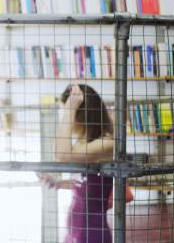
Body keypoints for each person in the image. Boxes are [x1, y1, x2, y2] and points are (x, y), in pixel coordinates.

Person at [40, 84, 115, 243]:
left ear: (80, 115)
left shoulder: (107, 143)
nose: (65, 117)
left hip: (92, 236)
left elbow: (61, 154)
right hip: (75, 233)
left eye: (67, 112)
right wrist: (58, 183)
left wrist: (69, 110)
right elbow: (86, 183)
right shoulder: (84, 143)